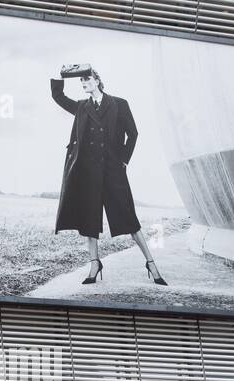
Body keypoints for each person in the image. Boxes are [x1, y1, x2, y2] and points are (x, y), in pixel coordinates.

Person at [50, 66, 168, 287]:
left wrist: (123, 160)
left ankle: (151, 263)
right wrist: (61, 75)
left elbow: (133, 134)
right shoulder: (81, 107)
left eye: (86, 79)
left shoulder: (119, 104)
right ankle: (94, 264)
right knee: (89, 221)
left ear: (97, 80)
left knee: (130, 219)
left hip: (113, 172)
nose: (83, 83)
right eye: (81, 81)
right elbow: (57, 96)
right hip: (88, 173)